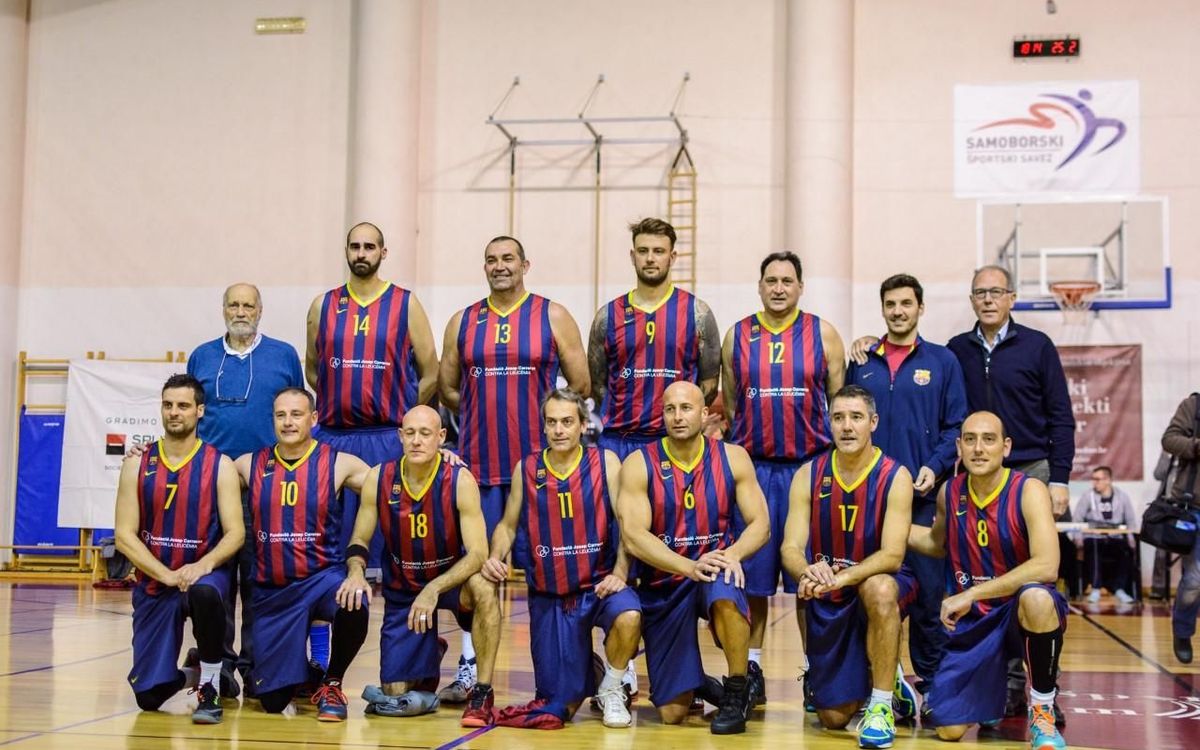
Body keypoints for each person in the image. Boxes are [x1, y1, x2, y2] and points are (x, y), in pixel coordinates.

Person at [854, 265, 1073, 721]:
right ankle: (900, 686)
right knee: (904, 589)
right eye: (980, 293)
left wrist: (1059, 477)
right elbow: (934, 537)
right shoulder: (957, 349)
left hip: (1021, 467)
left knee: (1024, 583)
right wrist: (885, 519)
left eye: (996, 292)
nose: (988, 299)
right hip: (953, 479)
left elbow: (1059, 415)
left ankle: (1032, 693)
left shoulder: (1029, 347)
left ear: (1011, 297)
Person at [438, 235, 590, 702]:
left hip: (541, 476)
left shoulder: (552, 314)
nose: (499, 266)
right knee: (478, 577)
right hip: (481, 470)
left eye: (508, 259)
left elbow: (581, 383)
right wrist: (489, 410)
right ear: (483, 266)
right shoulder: (463, 320)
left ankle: (586, 670)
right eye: (491, 259)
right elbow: (448, 389)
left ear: (526, 264)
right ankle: (470, 668)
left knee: (556, 576)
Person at [720, 250, 846, 705]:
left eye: (787, 280)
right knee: (752, 580)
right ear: (759, 286)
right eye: (770, 280)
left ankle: (816, 672)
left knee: (807, 581)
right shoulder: (738, 335)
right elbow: (731, 405)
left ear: (800, 286)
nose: (778, 287)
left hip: (808, 471)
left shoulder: (823, 333)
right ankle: (749, 669)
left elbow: (839, 403)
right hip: (754, 472)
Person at [908, 411, 1069, 750]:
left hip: (1016, 616)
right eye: (970, 440)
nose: (978, 448)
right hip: (975, 624)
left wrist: (972, 593)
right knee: (948, 730)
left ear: (1006, 447)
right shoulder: (948, 492)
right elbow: (936, 543)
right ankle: (989, 697)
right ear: (958, 446)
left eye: (989, 439)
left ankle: (1042, 711)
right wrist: (886, 523)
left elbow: (1047, 565)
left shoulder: (1029, 490)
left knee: (1037, 599)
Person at [616, 381, 770, 735]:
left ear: (704, 414)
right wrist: (688, 566)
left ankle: (736, 689)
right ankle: (694, 679)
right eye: (670, 409)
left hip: (714, 570)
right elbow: (634, 537)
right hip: (666, 582)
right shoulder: (640, 464)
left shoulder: (732, 457)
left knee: (725, 588)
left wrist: (730, 556)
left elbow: (761, 524)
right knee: (672, 713)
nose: (677, 416)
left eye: (686, 408)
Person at [483, 388, 641, 729]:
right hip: (551, 594)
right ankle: (592, 670)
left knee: (629, 615)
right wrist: (496, 555)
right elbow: (508, 526)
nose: (559, 430)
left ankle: (612, 687)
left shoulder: (606, 463)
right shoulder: (526, 468)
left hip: (599, 587)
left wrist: (620, 572)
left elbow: (629, 524)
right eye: (552, 422)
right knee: (559, 707)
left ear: (583, 425)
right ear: (543, 426)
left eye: (567, 422)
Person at [846, 274, 967, 714]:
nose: (898, 311)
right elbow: (847, 421)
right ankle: (883, 686)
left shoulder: (942, 361)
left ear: (920, 308)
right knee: (876, 594)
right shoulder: (863, 361)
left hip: (921, 504)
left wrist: (933, 469)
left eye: (906, 304)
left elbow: (956, 425)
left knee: (931, 598)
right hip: (870, 504)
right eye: (890, 304)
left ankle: (934, 689)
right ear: (882, 309)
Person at [339, 405, 502, 727]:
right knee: (395, 693)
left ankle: (482, 690)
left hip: (451, 583)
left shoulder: (459, 479)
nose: (416, 440)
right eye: (410, 433)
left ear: (441, 437)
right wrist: (356, 571)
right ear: (400, 436)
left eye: (425, 433)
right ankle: (429, 652)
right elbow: (359, 538)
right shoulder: (379, 478)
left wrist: (434, 588)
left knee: (484, 586)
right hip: (404, 588)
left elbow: (479, 554)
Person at [779, 385, 916, 749]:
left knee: (880, 587)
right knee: (834, 719)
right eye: (838, 417)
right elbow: (790, 547)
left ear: (873, 422)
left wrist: (837, 577)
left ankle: (882, 705)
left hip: (879, 581)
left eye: (856, 417)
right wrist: (808, 571)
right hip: (832, 592)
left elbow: (892, 556)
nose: (847, 426)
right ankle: (883, 670)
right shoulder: (809, 473)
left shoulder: (895, 475)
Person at [187, 282, 304, 695]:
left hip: (267, 487)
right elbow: (189, 418)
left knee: (260, 581)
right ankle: (217, 667)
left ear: (260, 310)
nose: (241, 311)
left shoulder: (284, 355)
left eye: (248, 305)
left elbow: (300, 416)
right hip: (213, 489)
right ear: (223, 310)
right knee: (216, 582)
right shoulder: (201, 356)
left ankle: (257, 667)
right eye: (233, 304)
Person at [234, 387, 373, 721]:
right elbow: (199, 474)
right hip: (275, 593)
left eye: (296, 414)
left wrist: (442, 459)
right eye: (280, 415)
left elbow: (393, 484)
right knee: (272, 701)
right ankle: (308, 674)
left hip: (323, 580)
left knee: (354, 600)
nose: (288, 422)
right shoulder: (247, 464)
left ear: (313, 419)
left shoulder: (339, 463)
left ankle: (333, 680)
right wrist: (141, 455)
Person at [114, 374, 245, 724]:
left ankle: (210, 686)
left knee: (205, 593)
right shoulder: (137, 463)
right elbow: (124, 535)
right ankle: (198, 671)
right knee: (149, 696)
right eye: (168, 405)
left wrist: (203, 565)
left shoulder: (219, 465)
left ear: (200, 411)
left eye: (184, 405)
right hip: (159, 581)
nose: (175, 412)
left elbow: (235, 534)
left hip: (202, 575)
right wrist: (167, 574)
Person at [305, 222, 439, 555]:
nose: (361, 253)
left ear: (383, 252)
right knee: (334, 549)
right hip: (334, 437)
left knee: (387, 549)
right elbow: (313, 369)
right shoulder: (323, 305)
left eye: (369, 247)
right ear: (347, 251)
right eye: (355, 247)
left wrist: (406, 417)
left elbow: (431, 372)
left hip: (387, 438)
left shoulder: (405, 303)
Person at [587, 217, 721, 457]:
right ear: (632, 256)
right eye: (643, 251)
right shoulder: (608, 316)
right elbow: (598, 385)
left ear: (672, 257)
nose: (650, 258)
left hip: (675, 442)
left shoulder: (697, 313)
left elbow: (709, 385)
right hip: (619, 442)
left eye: (658, 251)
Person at [1163, 392, 1200, 663]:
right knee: (1195, 578)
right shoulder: (1194, 404)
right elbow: (1170, 440)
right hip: (1195, 505)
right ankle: (1183, 630)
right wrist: (1197, 445)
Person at [1074, 466, 1137, 604]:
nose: (1094, 482)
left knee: (1126, 549)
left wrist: (1132, 541)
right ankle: (1095, 588)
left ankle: (1120, 588)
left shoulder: (1122, 496)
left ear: (1108, 480)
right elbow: (1077, 520)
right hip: (1094, 535)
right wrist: (1078, 541)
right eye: (1093, 479)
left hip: (1115, 536)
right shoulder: (1087, 496)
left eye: (1098, 479)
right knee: (1095, 546)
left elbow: (1130, 521)